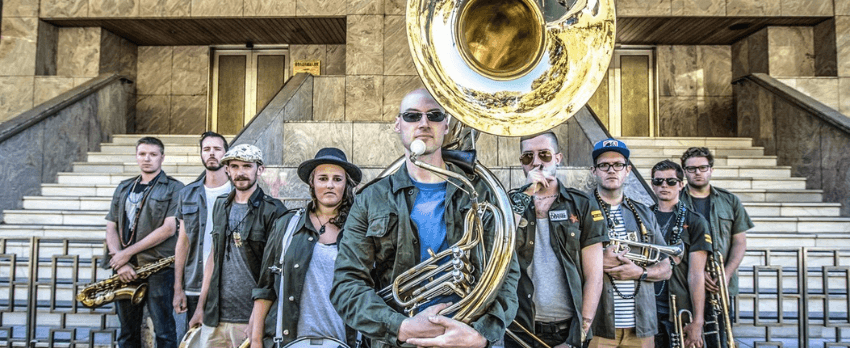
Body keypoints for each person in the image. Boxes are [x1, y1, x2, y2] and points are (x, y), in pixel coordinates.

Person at [330, 88, 520, 348]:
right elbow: (346, 283)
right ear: (398, 124)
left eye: (434, 115)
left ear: (446, 125)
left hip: (467, 340)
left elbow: (506, 272)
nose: (423, 123)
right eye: (411, 116)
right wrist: (402, 327)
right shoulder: (370, 198)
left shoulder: (479, 191)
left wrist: (481, 335)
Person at [250, 148, 363, 348]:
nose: (330, 185)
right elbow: (266, 288)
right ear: (312, 182)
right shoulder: (287, 225)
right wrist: (256, 340)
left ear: (346, 185)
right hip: (292, 342)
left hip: (345, 341)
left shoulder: (360, 229)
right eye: (323, 178)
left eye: (337, 179)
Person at [505, 132, 607, 348]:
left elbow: (595, 276)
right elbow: (501, 242)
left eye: (544, 154)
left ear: (558, 158)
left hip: (566, 332)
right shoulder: (509, 203)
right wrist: (526, 192)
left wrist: (579, 334)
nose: (536, 162)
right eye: (527, 157)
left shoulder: (581, 204)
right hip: (519, 329)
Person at [189, 144, 287, 348]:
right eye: (234, 166)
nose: (240, 173)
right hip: (214, 316)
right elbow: (213, 257)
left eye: (247, 166)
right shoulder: (220, 204)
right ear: (227, 170)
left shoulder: (274, 211)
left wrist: (258, 319)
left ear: (259, 170)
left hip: (250, 318)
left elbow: (274, 272)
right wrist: (200, 307)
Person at [588, 138, 671, 348]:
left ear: (628, 170)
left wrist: (640, 273)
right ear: (594, 170)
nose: (611, 170)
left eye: (618, 165)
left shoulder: (644, 212)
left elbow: (666, 267)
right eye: (604, 165)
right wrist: (597, 262)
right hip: (597, 326)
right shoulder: (581, 209)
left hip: (642, 327)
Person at [104, 137, 184, 348]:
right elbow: (110, 226)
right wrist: (120, 261)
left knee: (164, 331)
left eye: (153, 154)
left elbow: (168, 229)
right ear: (136, 156)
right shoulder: (124, 188)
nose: (147, 159)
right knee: (127, 333)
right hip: (125, 269)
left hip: (159, 267)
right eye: (142, 154)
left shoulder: (175, 188)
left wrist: (126, 253)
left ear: (162, 158)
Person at [679, 147, 753, 348]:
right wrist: (698, 273)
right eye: (691, 168)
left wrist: (726, 274)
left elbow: (740, 242)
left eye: (702, 167)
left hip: (721, 286)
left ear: (711, 169)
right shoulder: (676, 201)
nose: (697, 172)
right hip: (686, 285)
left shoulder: (730, 201)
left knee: (719, 339)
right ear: (684, 171)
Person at [649, 160, 711, 348]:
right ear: (652, 185)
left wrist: (698, 321)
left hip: (678, 306)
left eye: (671, 181)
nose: (664, 186)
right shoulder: (642, 216)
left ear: (681, 184)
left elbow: (696, 274)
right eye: (658, 181)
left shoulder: (695, 221)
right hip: (646, 305)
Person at [173, 132, 232, 331]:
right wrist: (177, 288)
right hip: (194, 282)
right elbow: (183, 242)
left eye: (217, 149)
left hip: (230, 284)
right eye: (207, 149)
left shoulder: (238, 193)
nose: (212, 153)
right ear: (201, 154)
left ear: (226, 153)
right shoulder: (187, 194)